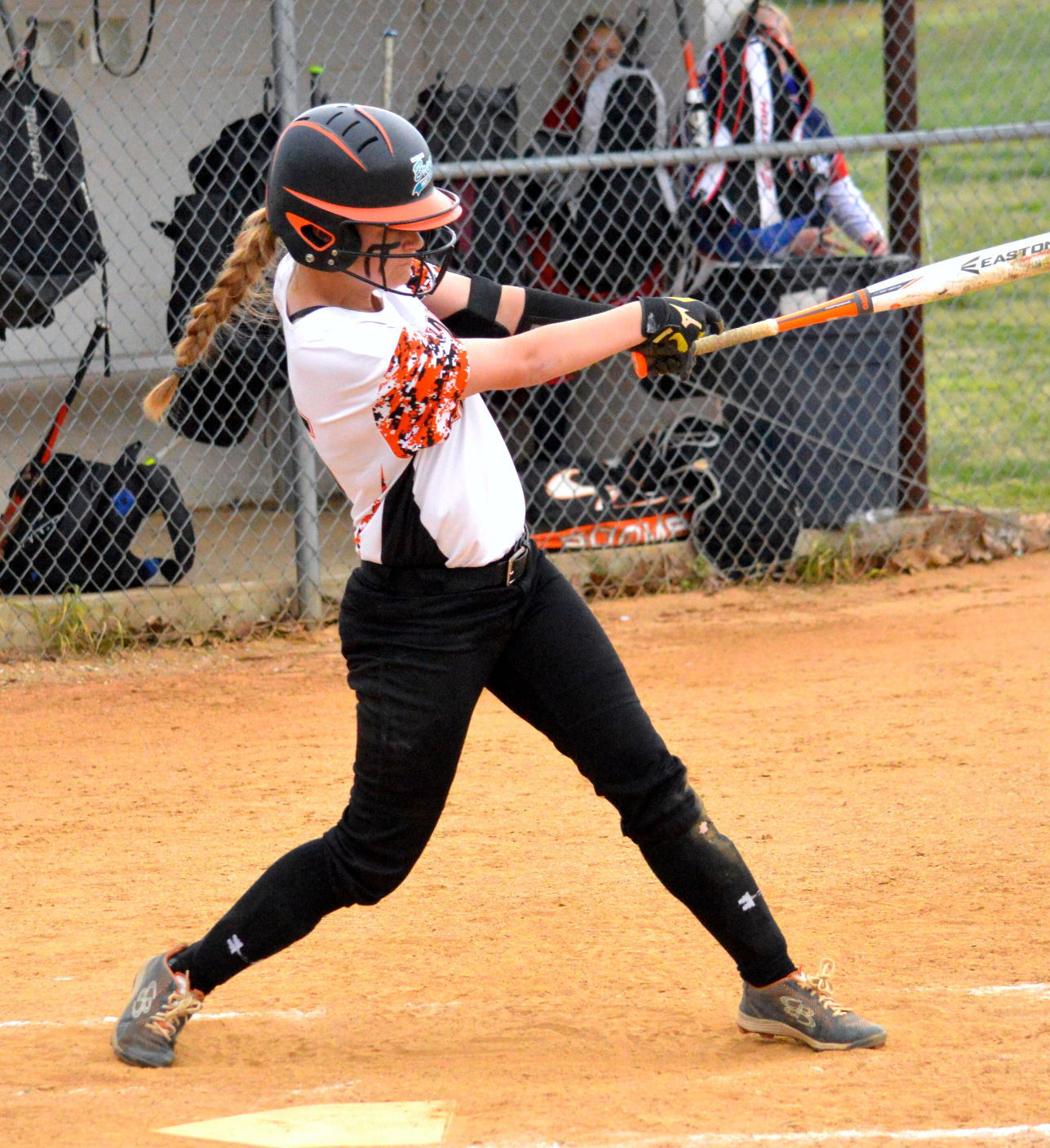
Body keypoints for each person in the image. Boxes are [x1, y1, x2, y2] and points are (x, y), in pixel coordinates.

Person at [110, 102, 886, 1069]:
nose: (418, 247)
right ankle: (181, 976)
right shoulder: (337, 347)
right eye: (398, 234)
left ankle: (774, 984)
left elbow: (502, 308)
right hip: (418, 621)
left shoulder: (358, 271)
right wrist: (635, 321)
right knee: (369, 856)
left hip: (518, 585)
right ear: (328, 235)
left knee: (652, 785)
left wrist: (640, 336)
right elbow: (515, 362)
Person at [515, 14, 681, 463]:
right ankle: (550, 460)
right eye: (589, 55)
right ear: (571, 63)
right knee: (549, 334)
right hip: (570, 253)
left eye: (611, 55)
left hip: (634, 253)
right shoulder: (562, 117)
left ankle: (671, 441)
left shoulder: (639, 107)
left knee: (667, 316)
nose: (601, 64)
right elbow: (534, 201)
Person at [689, 2, 890, 262]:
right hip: (743, 267)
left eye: (774, 33)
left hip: (806, 261)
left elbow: (838, 186)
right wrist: (787, 243)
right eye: (755, 33)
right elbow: (713, 219)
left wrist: (870, 233)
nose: (764, 42)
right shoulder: (717, 112)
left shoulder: (809, 116)